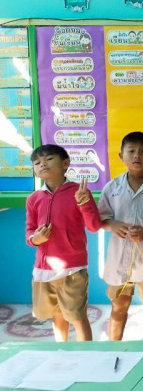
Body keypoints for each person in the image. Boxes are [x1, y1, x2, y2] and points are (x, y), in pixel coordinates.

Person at [26, 145, 102, 341]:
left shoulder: (79, 192)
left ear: (65, 163)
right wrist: (35, 239)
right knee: (56, 315)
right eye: (37, 162)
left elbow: (94, 226)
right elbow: (29, 232)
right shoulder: (34, 199)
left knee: (77, 317)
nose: (42, 164)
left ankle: (85, 354)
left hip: (73, 269)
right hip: (44, 269)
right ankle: (63, 352)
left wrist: (84, 203)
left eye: (49, 159)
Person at [98, 132, 143, 340]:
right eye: (131, 151)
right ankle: (114, 347)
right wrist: (113, 224)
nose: (137, 155)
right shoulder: (112, 188)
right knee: (119, 305)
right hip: (119, 259)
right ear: (121, 156)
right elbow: (102, 219)